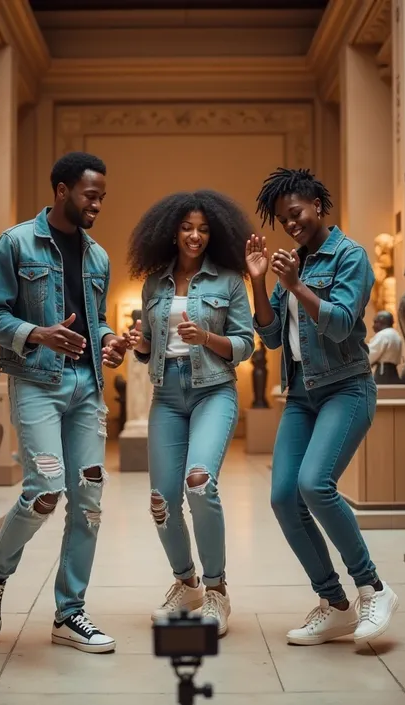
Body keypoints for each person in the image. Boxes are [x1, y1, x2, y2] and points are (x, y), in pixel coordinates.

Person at [0, 152, 129, 654]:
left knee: (89, 501)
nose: (98, 203)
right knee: (44, 490)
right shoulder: (16, 243)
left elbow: (94, 319)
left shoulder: (98, 256)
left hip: (87, 388)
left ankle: (70, 613)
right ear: (62, 190)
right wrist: (38, 333)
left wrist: (107, 341)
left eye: (103, 195)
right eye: (91, 194)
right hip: (37, 382)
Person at [246, 167, 399, 646]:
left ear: (318, 205)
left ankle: (373, 588)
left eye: (296, 215)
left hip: (348, 388)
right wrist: (259, 282)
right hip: (301, 395)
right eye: (282, 220)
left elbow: (339, 324)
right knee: (282, 497)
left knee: (315, 484)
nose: (290, 226)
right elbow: (271, 338)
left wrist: (294, 286)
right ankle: (334, 604)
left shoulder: (349, 256)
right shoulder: (292, 262)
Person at [128, 190, 254, 636]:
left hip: (213, 391)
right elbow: (147, 348)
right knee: (161, 502)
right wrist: (139, 343)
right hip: (167, 396)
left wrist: (205, 338)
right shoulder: (153, 284)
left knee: (199, 483)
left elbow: (244, 343)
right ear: (171, 231)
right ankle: (187, 583)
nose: (195, 235)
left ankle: (217, 592)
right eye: (186, 227)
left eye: (202, 228)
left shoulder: (230, 281)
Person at [368, 311, 403, 384]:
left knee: (381, 394)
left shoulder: (383, 335)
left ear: (381, 322)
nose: (373, 326)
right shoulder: (396, 335)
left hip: (383, 374)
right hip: (394, 372)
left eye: (375, 322)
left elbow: (370, 355)